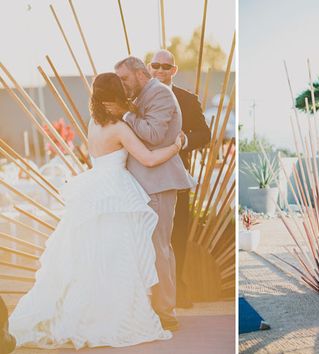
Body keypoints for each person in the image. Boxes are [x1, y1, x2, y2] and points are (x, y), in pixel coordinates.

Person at [8, 73, 182, 349]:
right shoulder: (120, 128)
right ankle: (112, 316)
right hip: (116, 192)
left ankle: (84, 312)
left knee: (87, 257)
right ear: (116, 96)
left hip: (94, 189)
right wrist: (175, 146)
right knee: (117, 257)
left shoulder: (93, 124)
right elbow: (148, 159)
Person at [107, 56, 195, 330]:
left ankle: (166, 311)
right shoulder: (143, 94)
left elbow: (155, 135)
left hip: (157, 183)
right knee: (145, 248)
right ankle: (150, 308)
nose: (122, 85)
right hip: (141, 183)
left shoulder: (160, 93)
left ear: (140, 74)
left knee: (159, 248)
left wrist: (125, 114)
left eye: (124, 79)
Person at [149, 50, 211, 308]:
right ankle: (152, 292)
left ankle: (178, 291)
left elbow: (204, 134)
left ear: (174, 70)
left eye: (166, 66)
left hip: (176, 176)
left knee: (178, 234)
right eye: (155, 65)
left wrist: (185, 141)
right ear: (149, 68)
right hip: (146, 178)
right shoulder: (139, 99)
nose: (160, 70)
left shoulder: (187, 99)